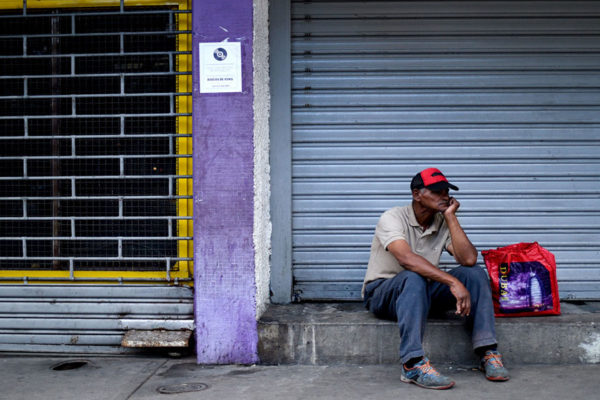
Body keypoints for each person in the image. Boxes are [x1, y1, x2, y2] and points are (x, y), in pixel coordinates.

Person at [362, 167, 509, 390]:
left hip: (421, 292)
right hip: (383, 294)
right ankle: (412, 365)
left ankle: (487, 352)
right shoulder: (392, 217)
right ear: (416, 194)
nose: (444, 196)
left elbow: (468, 259)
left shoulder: (441, 221)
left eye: (446, 191)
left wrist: (451, 217)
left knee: (474, 273)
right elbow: (407, 259)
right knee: (412, 276)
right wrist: (452, 282)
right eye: (437, 191)